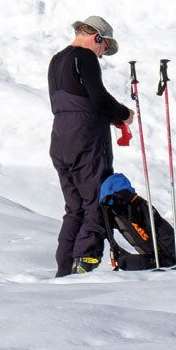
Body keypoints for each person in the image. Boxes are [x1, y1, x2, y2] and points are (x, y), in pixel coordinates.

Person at [47, 15, 132, 275]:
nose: (102, 54)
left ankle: (65, 270)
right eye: (104, 47)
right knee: (96, 201)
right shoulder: (85, 58)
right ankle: (85, 263)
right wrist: (123, 114)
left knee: (74, 209)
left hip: (60, 141)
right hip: (87, 141)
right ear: (97, 37)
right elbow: (98, 99)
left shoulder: (56, 60)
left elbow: (73, 101)